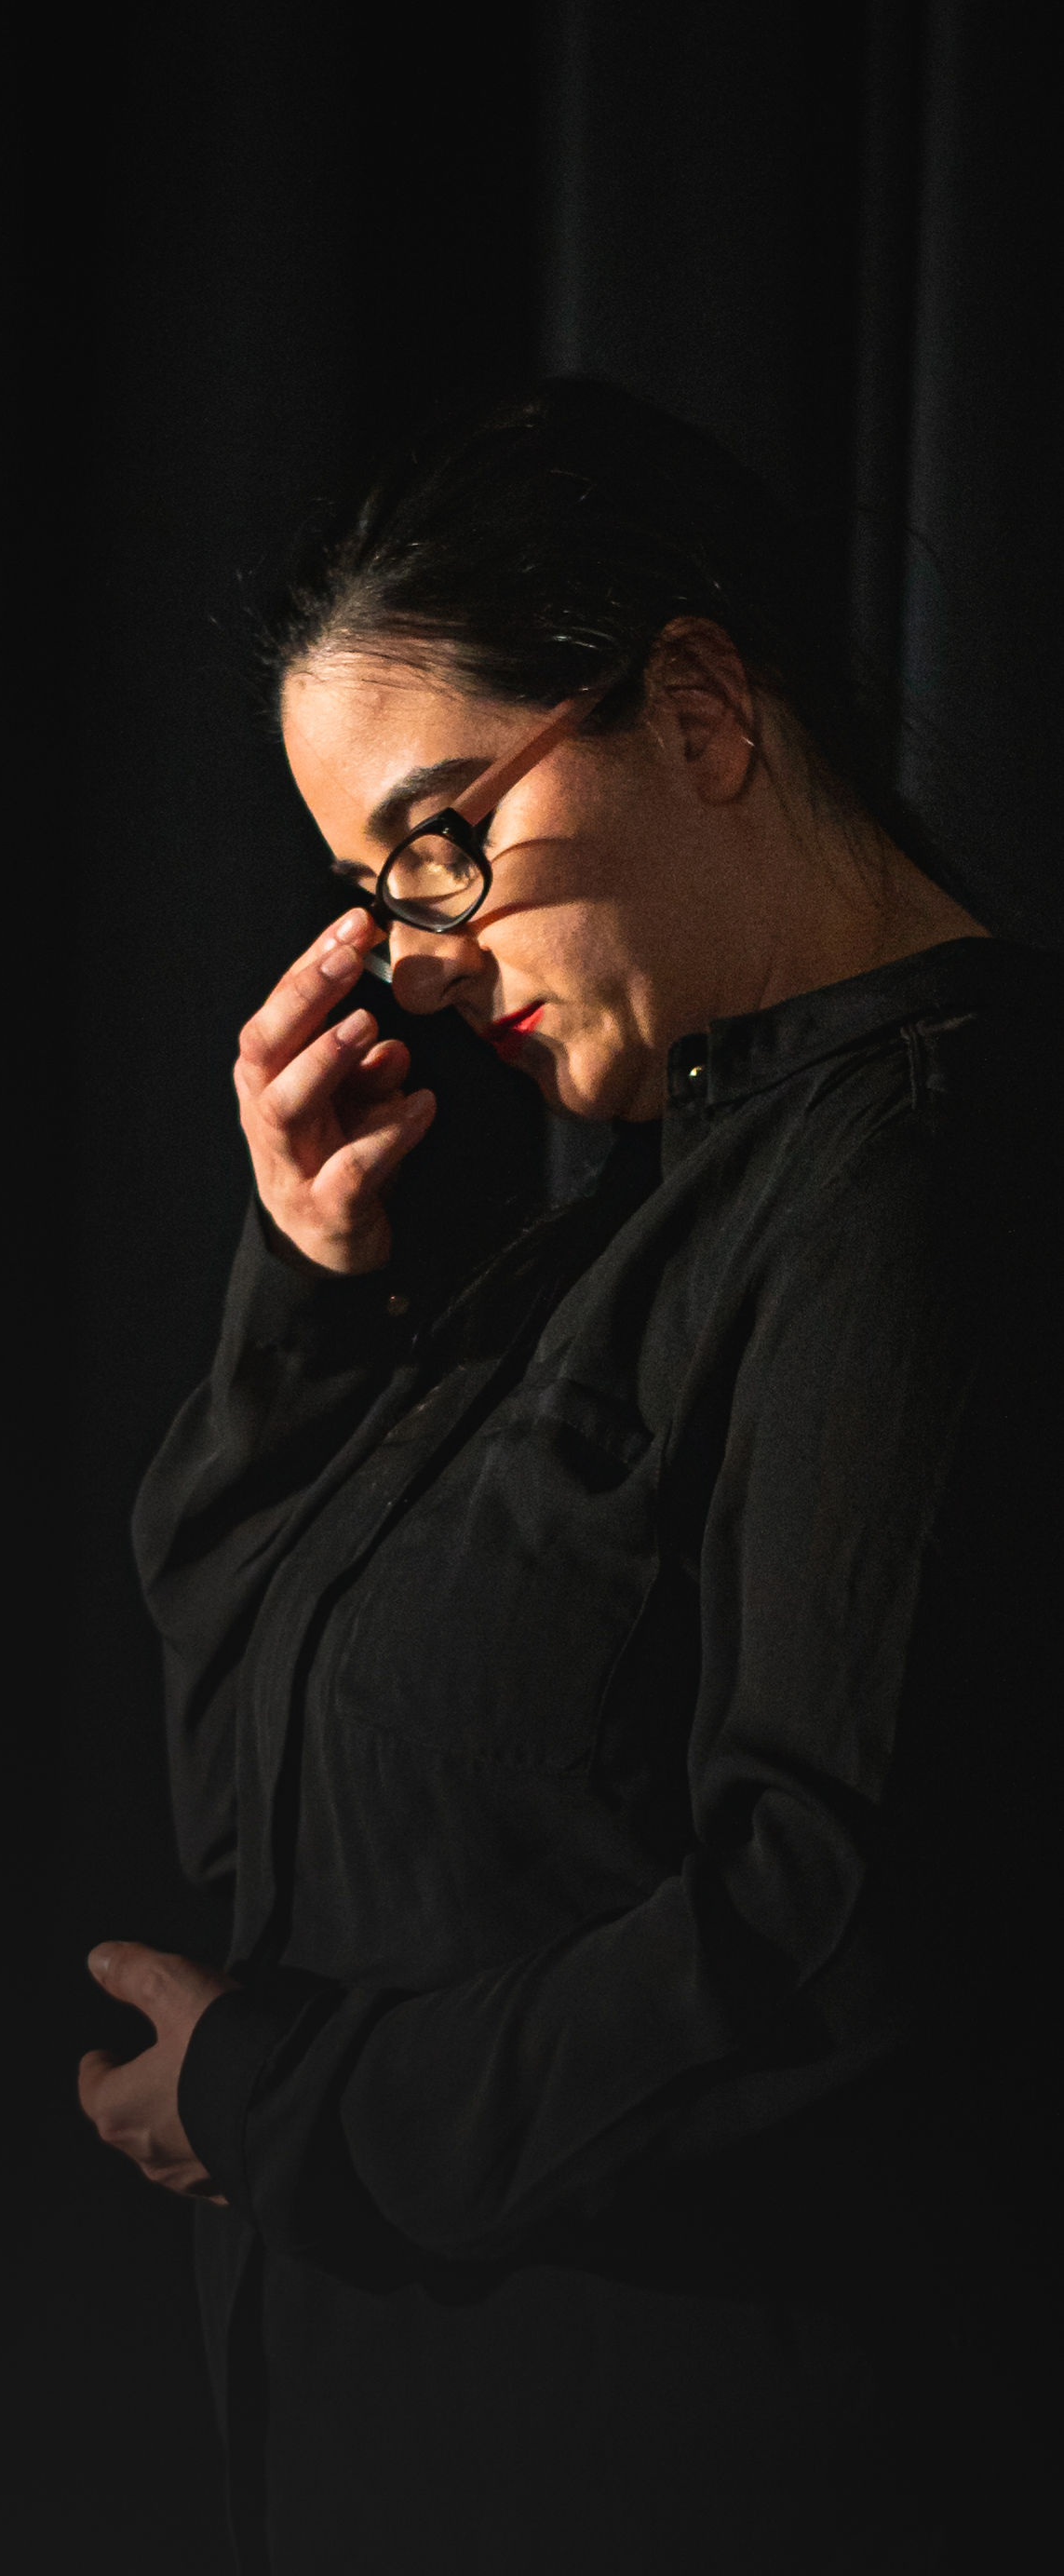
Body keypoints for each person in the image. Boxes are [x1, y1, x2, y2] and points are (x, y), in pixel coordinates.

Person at [76, 381, 1057, 2572]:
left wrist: (288, 2104)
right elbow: (255, 1801)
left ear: (694, 707)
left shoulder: (923, 1179)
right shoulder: (628, 1221)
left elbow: (835, 1940)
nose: (418, 959)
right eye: (368, 893)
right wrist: (304, 1288)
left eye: (437, 841)